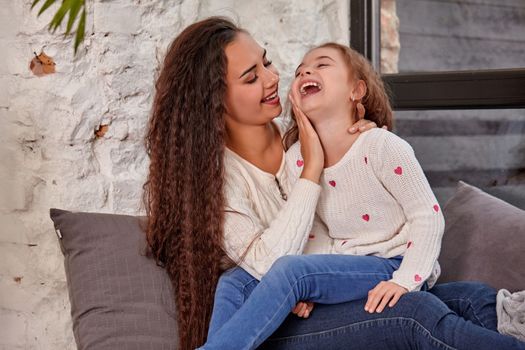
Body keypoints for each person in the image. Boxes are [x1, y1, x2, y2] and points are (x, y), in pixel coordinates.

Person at [142, 17, 524, 350]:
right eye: (251, 76)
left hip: (332, 283)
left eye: (268, 62)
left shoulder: (305, 137)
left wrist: (353, 136)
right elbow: (269, 267)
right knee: (238, 281)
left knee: (471, 297)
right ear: (214, 100)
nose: (274, 78)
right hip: (273, 321)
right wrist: (313, 169)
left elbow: (349, 215)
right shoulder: (220, 182)